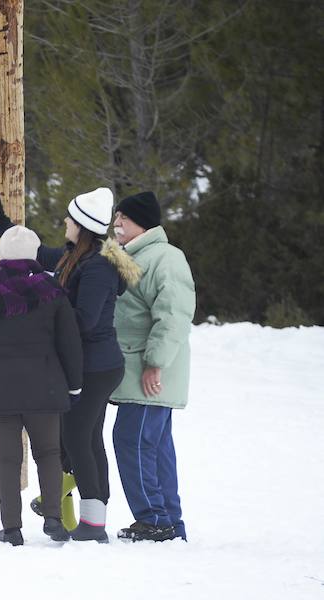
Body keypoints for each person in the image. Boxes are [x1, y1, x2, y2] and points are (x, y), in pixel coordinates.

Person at [0, 187, 141, 543]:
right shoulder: (75, 256)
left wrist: (45, 295)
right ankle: (92, 522)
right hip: (88, 363)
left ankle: (92, 524)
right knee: (85, 439)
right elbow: (34, 253)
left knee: (76, 438)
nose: (65, 222)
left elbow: (84, 320)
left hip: (96, 367)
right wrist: (0, 221)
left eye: (70, 219)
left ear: (82, 226)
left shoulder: (98, 266)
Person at [0, 225, 83, 546]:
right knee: (49, 452)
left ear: (1, 253)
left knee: (8, 457)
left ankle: (11, 528)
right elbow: (69, 341)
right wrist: (74, 384)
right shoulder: (51, 289)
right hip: (45, 385)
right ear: (35, 254)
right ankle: (53, 516)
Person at [109, 191, 196, 542]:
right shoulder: (128, 256)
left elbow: (173, 315)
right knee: (154, 446)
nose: (116, 224)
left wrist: (155, 363)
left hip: (148, 371)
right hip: (136, 369)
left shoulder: (165, 258)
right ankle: (168, 520)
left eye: (123, 219)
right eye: (115, 217)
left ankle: (154, 518)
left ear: (141, 222)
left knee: (131, 440)